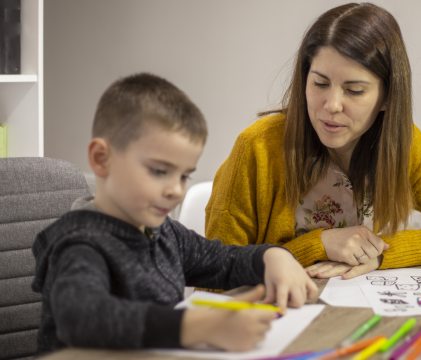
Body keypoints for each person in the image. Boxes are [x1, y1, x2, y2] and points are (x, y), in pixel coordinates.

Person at [31, 73, 317, 353]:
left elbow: (224, 262)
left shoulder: (163, 232)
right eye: (159, 171)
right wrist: (196, 327)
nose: (176, 191)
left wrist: (272, 257)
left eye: (184, 176)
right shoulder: (80, 245)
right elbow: (85, 320)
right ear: (101, 159)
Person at [205, 3, 421, 280]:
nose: (332, 105)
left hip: (355, 315)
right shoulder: (257, 147)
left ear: (387, 97)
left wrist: (380, 253)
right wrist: (320, 244)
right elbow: (215, 274)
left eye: (354, 90)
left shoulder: (402, 143)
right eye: (319, 83)